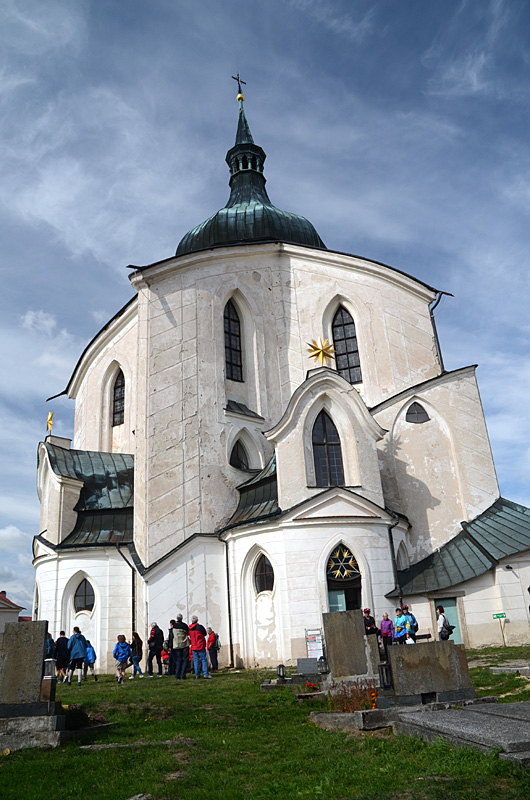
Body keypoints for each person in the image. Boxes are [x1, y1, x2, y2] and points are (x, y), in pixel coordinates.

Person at [169, 615, 190, 681]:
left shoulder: (174, 626)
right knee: (185, 660)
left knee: (179, 660)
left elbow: (171, 636)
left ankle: (177, 675)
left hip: (176, 645)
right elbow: (188, 633)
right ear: (182, 619)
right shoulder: (184, 625)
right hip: (184, 645)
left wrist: (170, 646)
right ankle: (183, 675)